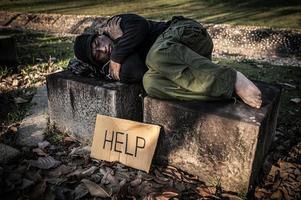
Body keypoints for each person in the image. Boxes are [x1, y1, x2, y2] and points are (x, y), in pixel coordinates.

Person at [72, 13, 262, 109]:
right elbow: (136, 71)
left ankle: (233, 78)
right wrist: (121, 50)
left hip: (187, 34)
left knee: (155, 56)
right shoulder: (114, 63)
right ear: (99, 61)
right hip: (188, 63)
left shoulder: (115, 24)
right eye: (98, 53)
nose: (103, 48)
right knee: (151, 83)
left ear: (99, 34)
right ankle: (226, 92)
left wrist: (117, 54)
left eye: (98, 42)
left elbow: (139, 26)